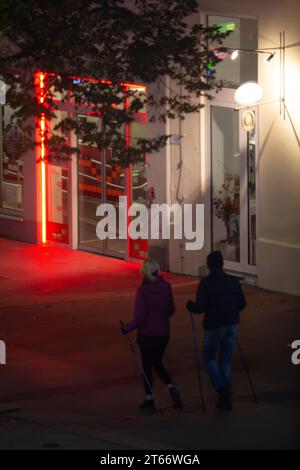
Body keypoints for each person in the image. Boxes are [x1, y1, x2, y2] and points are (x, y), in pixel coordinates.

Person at [186, 251, 246, 410]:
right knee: (225, 360)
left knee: (208, 357)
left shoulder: (206, 283)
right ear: (222, 264)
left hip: (214, 325)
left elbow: (201, 307)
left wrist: (191, 306)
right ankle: (226, 395)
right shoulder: (233, 281)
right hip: (231, 324)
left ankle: (221, 389)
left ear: (209, 265)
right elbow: (242, 303)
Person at [121, 258, 182, 411]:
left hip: (147, 335)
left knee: (148, 366)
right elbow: (171, 311)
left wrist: (126, 328)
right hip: (163, 334)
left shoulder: (143, 291)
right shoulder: (167, 287)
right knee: (158, 362)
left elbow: (140, 318)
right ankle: (171, 387)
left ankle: (149, 398)